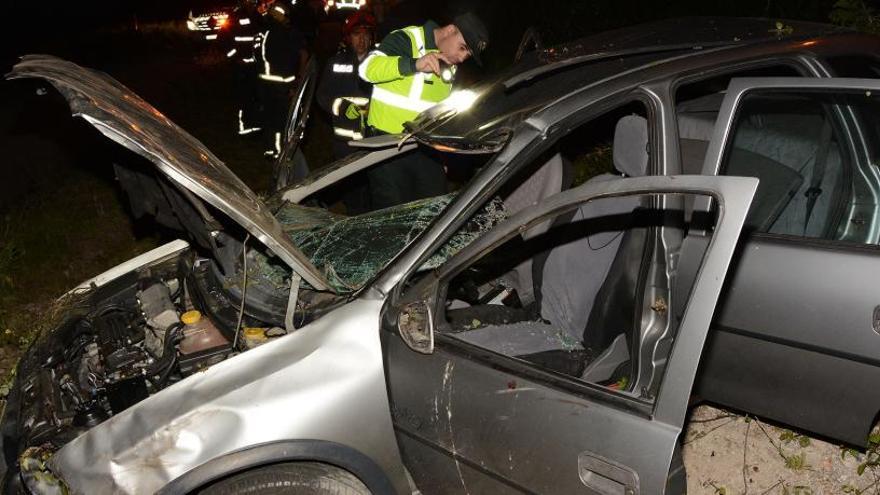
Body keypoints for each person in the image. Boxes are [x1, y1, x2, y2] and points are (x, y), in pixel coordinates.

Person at [358, 12, 489, 209]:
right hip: (387, 147)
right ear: (450, 30)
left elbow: (438, 112)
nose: (462, 57)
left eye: (468, 54)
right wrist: (415, 64)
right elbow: (366, 69)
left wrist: (443, 155)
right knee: (394, 219)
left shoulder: (450, 65)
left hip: (425, 148)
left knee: (433, 214)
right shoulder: (407, 38)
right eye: (462, 48)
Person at [316, 10, 376, 213]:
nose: (362, 39)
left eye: (366, 35)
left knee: (372, 185)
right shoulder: (335, 63)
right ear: (348, 37)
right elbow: (322, 96)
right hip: (345, 140)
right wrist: (341, 108)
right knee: (350, 185)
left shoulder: (381, 63)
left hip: (374, 137)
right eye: (357, 34)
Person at [255, 0, 309, 159]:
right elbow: (303, 55)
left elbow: (302, 55)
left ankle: (278, 150)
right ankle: (279, 151)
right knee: (278, 119)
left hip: (271, 84)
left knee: (276, 119)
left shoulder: (265, 32)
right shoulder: (283, 33)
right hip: (277, 85)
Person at [226, 0, 263, 137]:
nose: (251, 3)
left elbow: (261, 38)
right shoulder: (235, 16)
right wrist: (235, 57)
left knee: (256, 95)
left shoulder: (258, 17)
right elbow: (225, 40)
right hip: (240, 66)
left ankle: (256, 125)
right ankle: (243, 126)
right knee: (243, 97)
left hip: (255, 65)